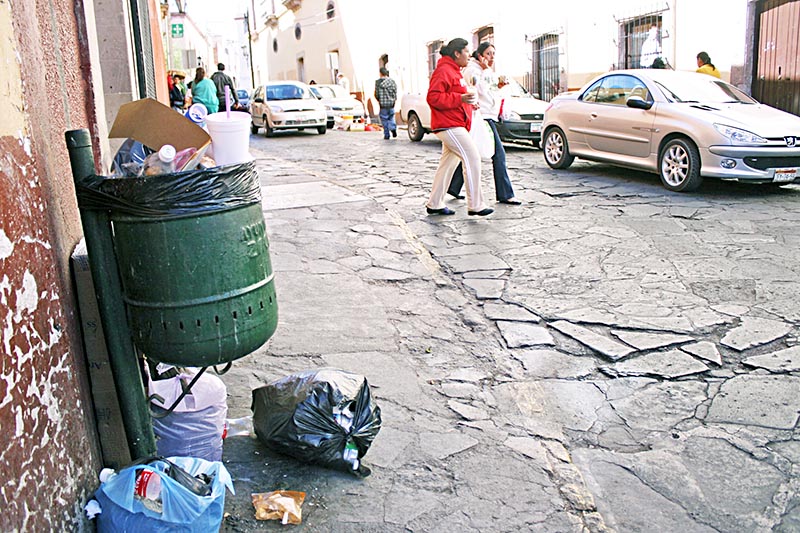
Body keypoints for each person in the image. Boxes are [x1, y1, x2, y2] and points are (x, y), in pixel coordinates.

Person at [425, 38, 492, 217]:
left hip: (453, 123)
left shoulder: (453, 71)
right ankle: (475, 204)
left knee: (448, 164)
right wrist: (460, 99)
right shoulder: (444, 71)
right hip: (449, 124)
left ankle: (435, 203)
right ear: (457, 53)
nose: (469, 55)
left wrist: (469, 104)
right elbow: (433, 98)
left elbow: (455, 95)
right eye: (466, 52)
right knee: (472, 157)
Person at [447, 43, 521, 205]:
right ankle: (505, 193)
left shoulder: (485, 71)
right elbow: (475, 89)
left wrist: (498, 84)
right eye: (488, 53)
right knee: (498, 153)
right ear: (479, 55)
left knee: (470, 152)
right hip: (481, 117)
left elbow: (490, 91)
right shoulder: (473, 71)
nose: (491, 57)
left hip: (487, 116)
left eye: (493, 53)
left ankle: (453, 186)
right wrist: (487, 74)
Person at [374, 67, 397, 140]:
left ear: (380, 73)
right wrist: (394, 99)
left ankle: (387, 134)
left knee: (384, 119)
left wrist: (379, 100)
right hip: (391, 103)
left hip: (383, 104)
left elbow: (376, 94)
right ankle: (393, 128)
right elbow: (395, 92)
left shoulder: (378, 82)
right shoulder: (392, 81)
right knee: (391, 117)